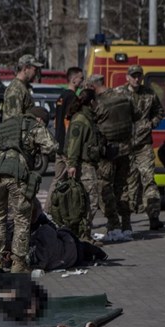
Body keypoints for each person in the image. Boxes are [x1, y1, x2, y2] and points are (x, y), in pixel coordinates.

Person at [0, 93, 58, 271]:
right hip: (17, 174)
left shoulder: (4, 125)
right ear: (40, 118)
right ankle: (18, 263)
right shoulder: (33, 124)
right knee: (21, 220)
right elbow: (51, 146)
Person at [87, 73, 136, 242]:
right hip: (126, 149)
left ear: (93, 86)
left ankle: (114, 224)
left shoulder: (99, 104)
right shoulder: (124, 97)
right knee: (122, 187)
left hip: (108, 152)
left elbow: (93, 124)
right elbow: (135, 116)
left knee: (105, 188)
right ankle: (127, 225)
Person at [117, 65, 165, 230]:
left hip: (144, 145)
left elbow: (159, 111)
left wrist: (151, 124)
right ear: (127, 77)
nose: (136, 79)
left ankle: (153, 217)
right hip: (125, 146)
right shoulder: (119, 94)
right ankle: (126, 222)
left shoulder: (149, 93)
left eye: (139, 76)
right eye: (133, 76)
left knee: (149, 181)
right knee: (127, 184)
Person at [63, 88, 101, 242]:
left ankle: (85, 234)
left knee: (86, 201)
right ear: (91, 102)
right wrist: (72, 165)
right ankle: (82, 235)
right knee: (89, 201)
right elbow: (74, 143)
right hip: (83, 166)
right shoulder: (81, 119)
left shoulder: (87, 117)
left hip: (87, 164)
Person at [50, 66, 85, 191]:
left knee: (58, 179)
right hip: (67, 146)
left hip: (58, 143)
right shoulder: (72, 98)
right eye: (81, 78)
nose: (82, 81)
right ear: (74, 79)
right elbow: (69, 123)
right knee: (74, 180)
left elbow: (56, 121)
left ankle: (48, 209)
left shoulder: (62, 96)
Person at [2, 54, 42, 119]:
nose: (36, 73)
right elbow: (14, 118)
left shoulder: (24, 87)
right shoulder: (15, 89)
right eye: (35, 70)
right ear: (25, 69)